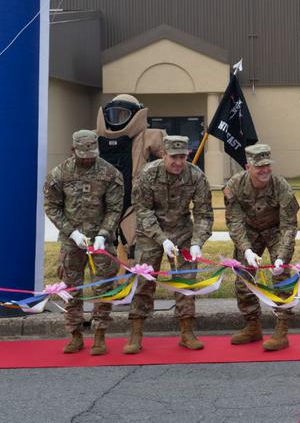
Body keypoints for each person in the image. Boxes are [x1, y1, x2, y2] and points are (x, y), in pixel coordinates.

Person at [124, 135, 213, 354]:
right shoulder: (148, 174)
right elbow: (143, 211)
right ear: (163, 154)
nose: (178, 162)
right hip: (151, 233)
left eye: (182, 157)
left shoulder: (196, 176)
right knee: (144, 282)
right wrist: (162, 239)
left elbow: (204, 213)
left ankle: (187, 332)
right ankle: (136, 333)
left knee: (185, 282)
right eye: (173, 157)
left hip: (183, 231)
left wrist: (197, 242)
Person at [43, 130, 124, 355]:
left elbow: (115, 208)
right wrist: (72, 233)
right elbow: (52, 206)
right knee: (72, 288)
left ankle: (100, 335)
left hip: (101, 242)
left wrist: (103, 233)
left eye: (92, 153)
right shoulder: (59, 174)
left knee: (103, 288)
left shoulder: (110, 173)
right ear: (73, 151)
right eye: (83, 154)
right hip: (72, 243)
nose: (88, 158)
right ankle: (75, 335)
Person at [224, 144, 299, 351]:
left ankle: (281, 331)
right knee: (243, 279)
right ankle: (252, 326)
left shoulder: (281, 186)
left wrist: (281, 257)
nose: (265, 170)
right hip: (248, 232)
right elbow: (235, 222)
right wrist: (246, 250)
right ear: (248, 166)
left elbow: (289, 225)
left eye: (267, 165)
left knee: (281, 277)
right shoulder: (235, 185)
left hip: (275, 231)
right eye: (259, 167)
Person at [95, 94, 166, 266]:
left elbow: (171, 159)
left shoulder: (149, 136)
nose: (118, 120)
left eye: (123, 115)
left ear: (136, 115)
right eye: (114, 115)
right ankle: (114, 288)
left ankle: (133, 288)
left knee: (135, 251)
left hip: (134, 203)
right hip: (103, 204)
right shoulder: (94, 138)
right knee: (104, 252)